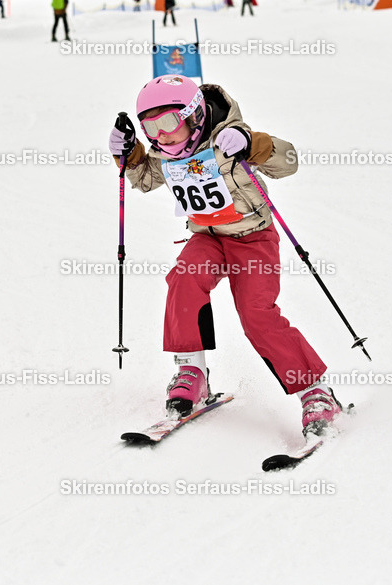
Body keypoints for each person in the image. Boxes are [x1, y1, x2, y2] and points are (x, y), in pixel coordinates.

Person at [107, 75, 343, 434]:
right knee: (183, 279)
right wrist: (129, 154)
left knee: (257, 314)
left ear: (195, 114)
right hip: (208, 237)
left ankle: (315, 391)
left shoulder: (228, 138)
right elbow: (144, 179)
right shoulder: (165, 153)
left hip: (252, 237)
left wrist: (253, 145)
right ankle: (192, 372)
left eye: (168, 122)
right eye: (150, 127)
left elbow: (289, 162)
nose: (161, 135)